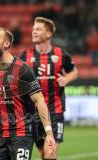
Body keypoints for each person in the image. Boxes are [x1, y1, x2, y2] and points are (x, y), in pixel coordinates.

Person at [0, 26, 56, 160]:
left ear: (6, 44)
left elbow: (39, 100)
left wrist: (49, 133)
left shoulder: (23, 70)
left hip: (22, 134)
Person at [20, 17, 78, 159]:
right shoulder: (25, 55)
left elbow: (74, 71)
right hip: (32, 113)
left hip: (55, 110)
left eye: (38, 29)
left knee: (49, 153)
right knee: (43, 154)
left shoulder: (60, 54)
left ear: (48, 34)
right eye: (33, 29)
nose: (34, 32)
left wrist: (66, 79)